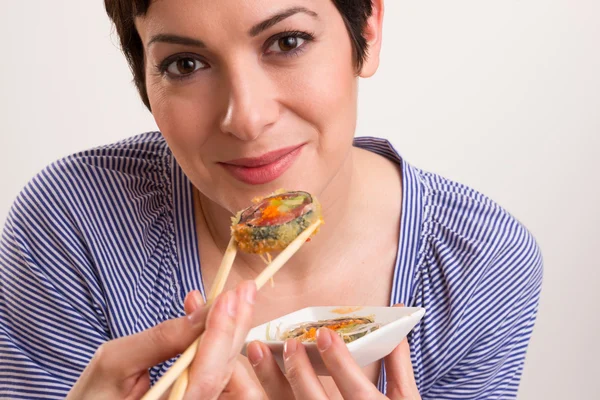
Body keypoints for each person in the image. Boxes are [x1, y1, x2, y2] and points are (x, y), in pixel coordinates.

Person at [0, 0, 543, 399]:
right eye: (185, 64)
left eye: (286, 42)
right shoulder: (73, 222)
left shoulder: (480, 267)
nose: (246, 117)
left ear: (369, 29)